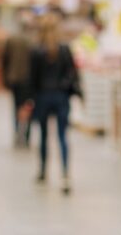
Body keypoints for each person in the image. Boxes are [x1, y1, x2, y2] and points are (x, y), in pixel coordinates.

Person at [29, 13, 81, 194]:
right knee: (62, 136)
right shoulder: (64, 49)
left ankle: (43, 170)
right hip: (61, 97)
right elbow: (72, 73)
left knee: (43, 135)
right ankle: (65, 174)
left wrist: (30, 99)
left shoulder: (36, 51)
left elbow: (32, 78)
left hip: (43, 96)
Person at [1, 9, 34, 148]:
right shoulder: (33, 40)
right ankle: (26, 135)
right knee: (28, 106)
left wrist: (5, 77)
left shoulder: (11, 39)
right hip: (29, 79)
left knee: (16, 106)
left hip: (14, 78)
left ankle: (16, 132)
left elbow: (5, 60)